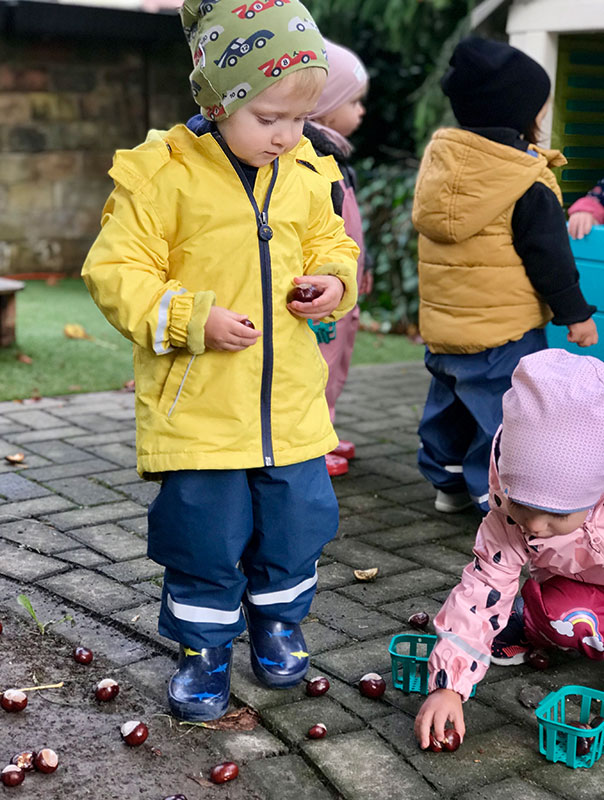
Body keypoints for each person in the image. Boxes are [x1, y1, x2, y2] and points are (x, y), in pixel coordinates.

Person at [82, 0, 359, 723]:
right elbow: (116, 274)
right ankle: (203, 650)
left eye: (299, 119)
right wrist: (191, 319)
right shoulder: (162, 175)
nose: (286, 134)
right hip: (200, 410)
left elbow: (333, 243)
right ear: (214, 97)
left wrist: (331, 281)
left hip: (291, 407)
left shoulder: (305, 167)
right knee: (203, 537)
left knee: (298, 525)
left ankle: (276, 623)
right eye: (268, 117)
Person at [412, 37, 598, 517]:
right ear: (524, 115)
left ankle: (445, 483)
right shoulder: (525, 180)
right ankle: (493, 499)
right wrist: (576, 315)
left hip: (445, 326)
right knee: (504, 419)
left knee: (449, 405)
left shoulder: (442, 165)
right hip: (503, 331)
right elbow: (549, 258)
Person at [414, 348, 604, 749]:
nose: (534, 526)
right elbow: (480, 593)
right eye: (522, 504)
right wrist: (449, 684)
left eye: (556, 516)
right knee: (564, 620)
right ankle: (530, 619)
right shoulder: (508, 517)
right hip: (573, 588)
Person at [303, 39, 372, 477]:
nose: (362, 111)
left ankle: (322, 429)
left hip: (341, 283)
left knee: (338, 359)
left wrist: (356, 275)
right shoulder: (313, 155)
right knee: (319, 366)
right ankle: (309, 443)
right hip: (320, 289)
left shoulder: (336, 154)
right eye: (356, 101)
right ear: (327, 108)